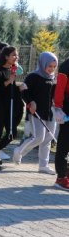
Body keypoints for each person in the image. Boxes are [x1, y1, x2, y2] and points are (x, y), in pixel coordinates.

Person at [12, 52, 58, 174]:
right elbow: (23, 90)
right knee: (38, 137)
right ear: (43, 64)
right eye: (49, 66)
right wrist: (30, 101)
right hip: (36, 112)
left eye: (54, 66)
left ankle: (43, 165)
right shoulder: (33, 76)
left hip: (50, 113)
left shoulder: (53, 78)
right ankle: (19, 151)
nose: (51, 69)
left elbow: (54, 95)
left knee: (47, 139)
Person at [0, 46, 25, 164]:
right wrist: (9, 81)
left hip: (10, 106)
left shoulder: (12, 69)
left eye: (17, 55)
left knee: (11, 133)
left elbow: (10, 89)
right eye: (14, 55)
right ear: (6, 56)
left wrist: (18, 88)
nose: (16, 57)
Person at [52, 57, 69, 190]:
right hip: (67, 110)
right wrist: (58, 108)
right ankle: (61, 177)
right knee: (64, 143)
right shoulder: (66, 66)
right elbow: (60, 88)